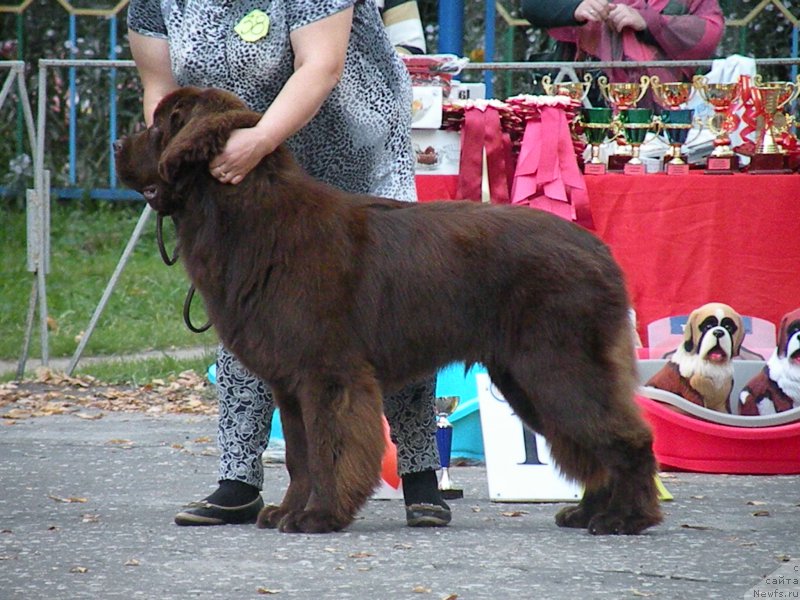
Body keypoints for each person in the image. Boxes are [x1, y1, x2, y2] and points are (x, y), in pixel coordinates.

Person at [126, 0, 451, 528]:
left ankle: (419, 476)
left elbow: (321, 65)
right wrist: (172, 158)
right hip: (230, 158)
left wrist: (260, 140)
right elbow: (159, 91)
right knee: (248, 311)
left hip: (346, 139)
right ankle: (239, 478)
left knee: (393, 308)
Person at [520, 0, 725, 85]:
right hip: (586, 95)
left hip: (666, 107)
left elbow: (710, 31)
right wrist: (576, 7)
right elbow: (533, 6)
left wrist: (647, 22)